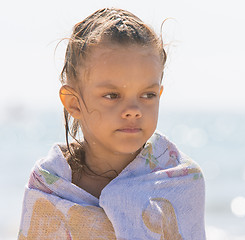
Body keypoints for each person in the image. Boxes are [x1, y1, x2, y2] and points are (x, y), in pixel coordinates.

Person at [18, 8, 205, 240]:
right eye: (112, 95)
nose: (133, 111)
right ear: (74, 103)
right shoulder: (50, 186)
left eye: (148, 95)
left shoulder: (180, 181)